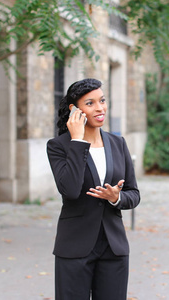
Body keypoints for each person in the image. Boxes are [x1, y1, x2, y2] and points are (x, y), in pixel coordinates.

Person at [47, 78, 140, 300]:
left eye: (102, 101)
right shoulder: (58, 146)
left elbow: (134, 194)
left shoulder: (118, 144)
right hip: (74, 248)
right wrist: (78, 141)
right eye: (90, 103)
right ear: (74, 110)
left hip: (113, 248)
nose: (100, 108)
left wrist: (117, 197)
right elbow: (69, 190)